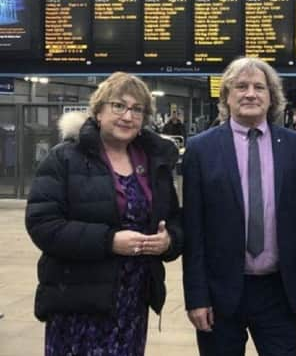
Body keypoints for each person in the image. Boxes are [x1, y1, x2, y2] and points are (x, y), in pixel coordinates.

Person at [25, 72, 183, 356]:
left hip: (132, 303)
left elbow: (174, 219)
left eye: (137, 109)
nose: (127, 116)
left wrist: (168, 240)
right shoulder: (64, 158)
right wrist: (109, 241)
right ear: (98, 111)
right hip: (78, 300)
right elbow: (43, 225)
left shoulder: (153, 162)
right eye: (118, 105)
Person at [182, 57, 296, 356]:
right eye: (241, 86)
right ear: (227, 96)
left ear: (272, 98)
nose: (250, 93)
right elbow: (194, 231)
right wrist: (196, 296)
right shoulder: (200, 149)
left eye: (260, 87)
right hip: (220, 293)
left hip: (278, 292)